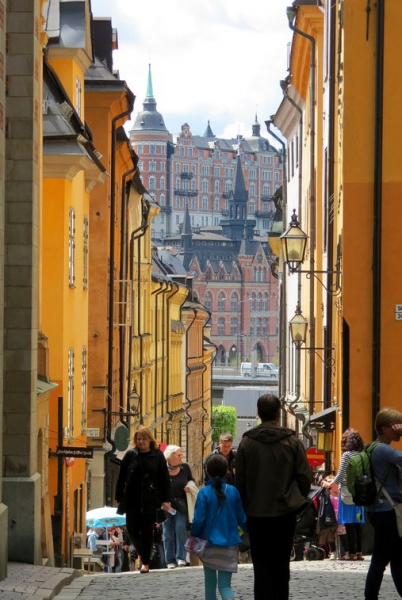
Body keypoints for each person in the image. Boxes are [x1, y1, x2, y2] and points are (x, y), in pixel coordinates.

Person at [235, 393, 311, 600]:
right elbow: (305, 477)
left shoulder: (247, 443)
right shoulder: (292, 442)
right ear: (279, 413)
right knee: (281, 564)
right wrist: (295, 498)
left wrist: (245, 506)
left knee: (261, 565)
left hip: (256, 513)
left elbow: (239, 481)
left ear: (258, 413)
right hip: (284, 511)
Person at [115, 425, 172, 573]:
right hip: (132, 497)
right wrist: (119, 497)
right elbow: (121, 477)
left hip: (150, 498)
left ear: (149, 440)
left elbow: (164, 478)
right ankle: (142, 552)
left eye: (143, 439)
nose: (141, 442)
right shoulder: (130, 455)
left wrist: (166, 499)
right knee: (132, 529)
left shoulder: (157, 455)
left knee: (147, 530)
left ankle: (145, 563)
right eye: (138, 439)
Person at [191, 454, 247, 600]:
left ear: (207, 471)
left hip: (209, 544)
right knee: (225, 585)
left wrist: (193, 535)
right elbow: (242, 518)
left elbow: (198, 520)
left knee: (210, 584)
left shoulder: (203, 493)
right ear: (226, 471)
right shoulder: (233, 491)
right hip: (230, 543)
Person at [364, 408, 402, 600]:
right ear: (385, 428)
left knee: (395, 557)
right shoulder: (383, 450)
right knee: (381, 559)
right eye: (396, 425)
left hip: (380, 509)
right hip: (388, 511)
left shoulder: (372, 447)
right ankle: (370, 597)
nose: (399, 429)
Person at [322, 428, 365, 560]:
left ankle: (350, 553)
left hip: (347, 493)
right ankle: (359, 552)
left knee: (349, 523)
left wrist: (329, 484)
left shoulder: (347, 455)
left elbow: (340, 475)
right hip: (360, 494)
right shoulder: (362, 454)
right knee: (357, 523)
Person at [162, 444, 194, 569]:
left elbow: (191, 480)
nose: (181, 457)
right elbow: (157, 485)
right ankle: (170, 560)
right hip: (166, 506)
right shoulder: (162, 469)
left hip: (180, 505)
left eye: (181, 454)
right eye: (178, 455)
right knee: (167, 533)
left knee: (180, 528)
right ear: (170, 456)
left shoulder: (185, 467)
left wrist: (189, 487)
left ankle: (181, 558)